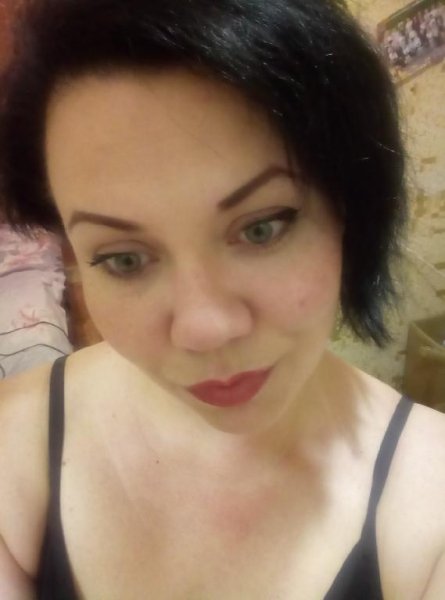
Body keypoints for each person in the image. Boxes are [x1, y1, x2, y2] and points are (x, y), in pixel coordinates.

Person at [0, 1, 444, 598]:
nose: (204, 328)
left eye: (261, 228)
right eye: (124, 259)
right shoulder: (15, 446)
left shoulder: (429, 507)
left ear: (348, 209)